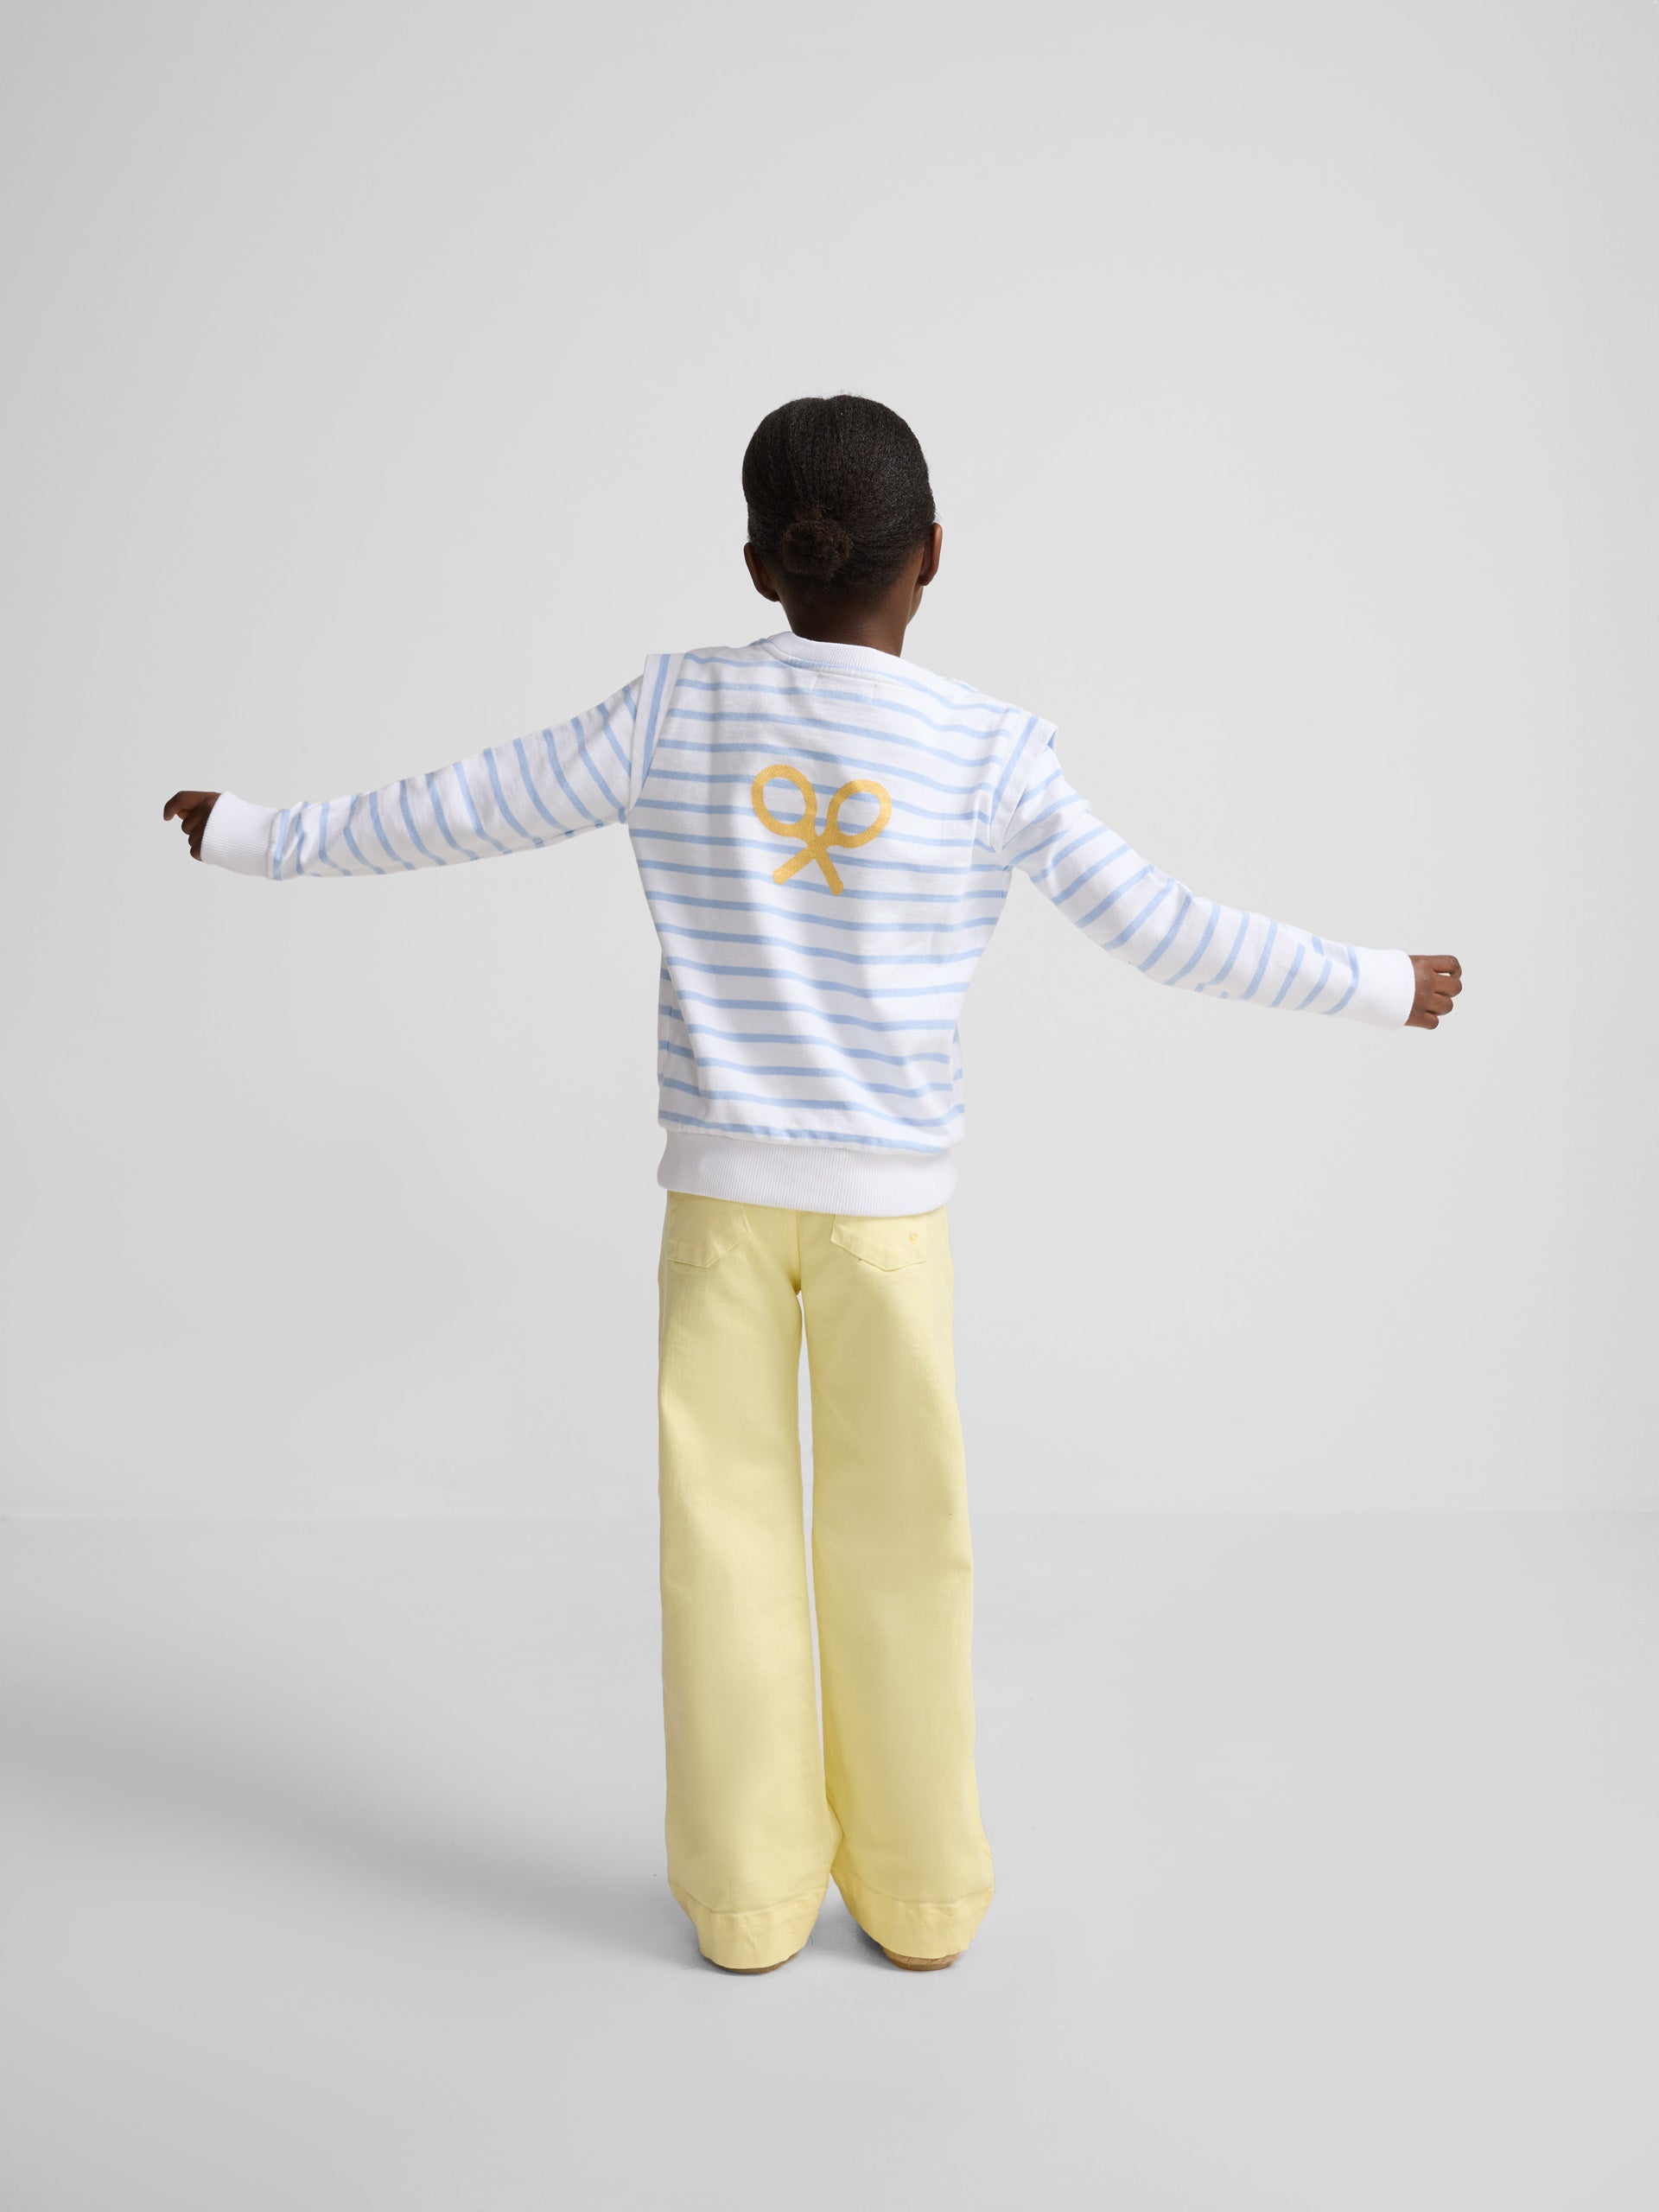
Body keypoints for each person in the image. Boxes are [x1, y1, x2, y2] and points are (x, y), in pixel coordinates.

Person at [165, 392, 1463, 1975]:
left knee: (723, 1549)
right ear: (933, 557)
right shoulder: (989, 751)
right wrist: (1373, 980)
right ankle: (920, 1898)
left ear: (759, 564)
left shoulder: (673, 710)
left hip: (718, 1213)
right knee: (904, 1546)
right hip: (888, 1227)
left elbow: (458, 807)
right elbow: (1163, 926)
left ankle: (747, 1901)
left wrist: (258, 835)